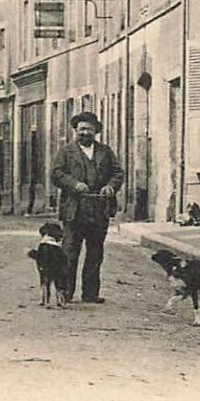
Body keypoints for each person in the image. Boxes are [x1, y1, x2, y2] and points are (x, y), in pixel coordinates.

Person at [49, 112, 124, 304]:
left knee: (95, 253)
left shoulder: (105, 151)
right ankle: (65, 292)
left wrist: (111, 187)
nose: (85, 133)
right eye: (81, 129)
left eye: (89, 129)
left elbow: (117, 173)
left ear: (96, 131)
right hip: (74, 211)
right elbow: (56, 174)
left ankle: (90, 293)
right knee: (69, 253)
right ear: (75, 130)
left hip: (99, 209)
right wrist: (74, 184)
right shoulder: (66, 152)